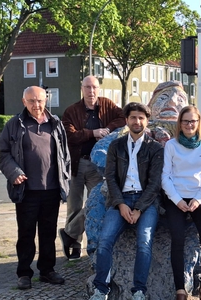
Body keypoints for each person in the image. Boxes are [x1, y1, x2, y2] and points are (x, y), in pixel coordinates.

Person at [0, 86, 71, 290]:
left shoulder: (55, 123)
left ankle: (47, 270)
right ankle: (24, 273)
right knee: (26, 233)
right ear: (24, 102)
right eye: (31, 101)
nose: (36, 105)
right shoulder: (14, 124)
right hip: (26, 190)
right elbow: (2, 154)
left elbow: (64, 155)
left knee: (48, 232)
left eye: (39, 100)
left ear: (46, 100)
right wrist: (14, 173)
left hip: (52, 190)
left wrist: (65, 180)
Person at [89, 102, 163, 300]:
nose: (137, 121)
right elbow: (110, 178)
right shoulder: (116, 145)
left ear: (147, 122)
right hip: (119, 200)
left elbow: (155, 184)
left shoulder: (155, 148)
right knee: (104, 240)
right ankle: (101, 290)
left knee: (144, 241)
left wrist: (138, 209)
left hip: (146, 203)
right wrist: (121, 204)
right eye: (133, 117)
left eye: (141, 118)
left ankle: (139, 290)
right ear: (127, 120)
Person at [60, 75, 125, 260]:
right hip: (76, 164)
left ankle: (72, 233)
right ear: (82, 88)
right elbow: (69, 135)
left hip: (98, 165)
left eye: (94, 87)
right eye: (87, 87)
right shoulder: (72, 111)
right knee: (74, 205)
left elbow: (122, 118)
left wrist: (108, 130)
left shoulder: (107, 105)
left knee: (95, 204)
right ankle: (75, 244)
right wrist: (92, 133)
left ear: (99, 89)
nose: (91, 91)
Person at [162, 106, 201, 300]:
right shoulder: (171, 145)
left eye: (193, 121)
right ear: (180, 123)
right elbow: (166, 177)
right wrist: (177, 200)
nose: (189, 125)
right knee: (177, 239)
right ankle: (180, 289)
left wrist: (198, 199)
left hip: (198, 196)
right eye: (185, 121)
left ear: (198, 122)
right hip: (175, 197)